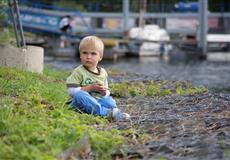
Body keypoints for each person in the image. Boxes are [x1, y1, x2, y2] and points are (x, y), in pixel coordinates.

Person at [66, 36, 130, 121]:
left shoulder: (103, 72)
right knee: (80, 95)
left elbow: (107, 91)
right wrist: (90, 88)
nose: (88, 57)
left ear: (100, 57)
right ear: (80, 55)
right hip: (80, 103)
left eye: (93, 54)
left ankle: (109, 112)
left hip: (96, 101)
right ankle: (107, 113)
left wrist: (104, 92)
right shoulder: (79, 71)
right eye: (85, 53)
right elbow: (71, 91)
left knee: (109, 101)